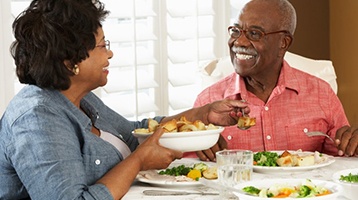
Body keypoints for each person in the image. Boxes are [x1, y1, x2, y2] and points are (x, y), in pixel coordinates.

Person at [0, 0, 250, 199]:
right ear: (70, 61)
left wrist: (203, 115)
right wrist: (139, 160)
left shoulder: (80, 100)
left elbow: (133, 134)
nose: (109, 53)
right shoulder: (36, 119)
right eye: (101, 45)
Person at [184, 0, 356, 161]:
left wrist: (351, 144)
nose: (240, 42)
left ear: (283, 42)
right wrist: (201, 150)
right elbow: (190, 175)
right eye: (236, 31)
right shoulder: (207, 102)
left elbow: (341, 157)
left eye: (254, 34)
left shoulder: (321, 94)